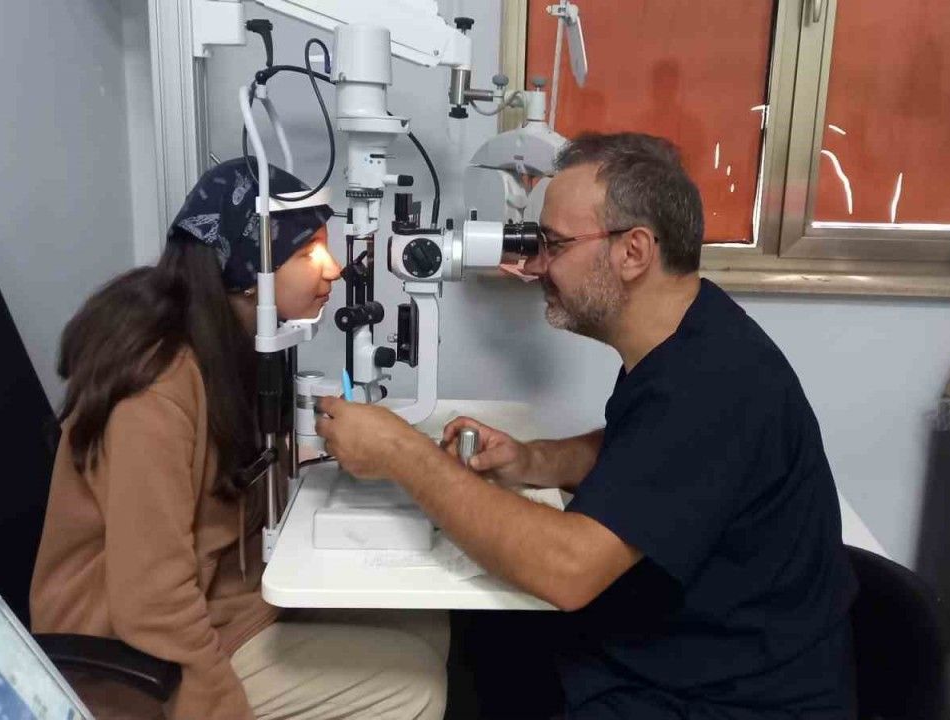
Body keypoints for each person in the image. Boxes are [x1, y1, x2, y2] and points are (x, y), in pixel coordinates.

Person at [315, 133, 858, 719]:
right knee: (462, 642)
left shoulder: (714, 386)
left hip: (720, 701)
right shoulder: (693, 336)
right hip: (671, 655)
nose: (537, 264)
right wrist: (533, 460)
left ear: (633, 251)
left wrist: (403, 454)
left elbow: (567, 570)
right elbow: (645, 453)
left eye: (555, 244)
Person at [31, 158, 448, 720]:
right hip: (139, 656)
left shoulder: (235, 346)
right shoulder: (152, 396)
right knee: (414, 688)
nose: (334, 269)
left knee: (425, 620)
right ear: (251, 275)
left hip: (229, 594)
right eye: (308, 254)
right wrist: (222, 706)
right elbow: (151, 604)